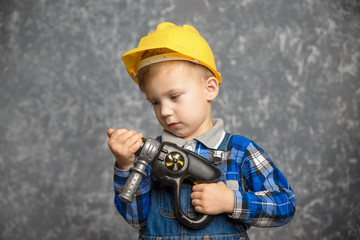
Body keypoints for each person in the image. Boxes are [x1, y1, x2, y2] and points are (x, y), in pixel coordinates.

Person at [107, 22, 296, 240]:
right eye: (155, 102)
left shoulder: (239, 151)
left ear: (210, 89)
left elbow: (285, 204)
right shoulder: (151, 155)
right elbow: (135, 219)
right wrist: (125, 165)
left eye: (174, 96)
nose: (165, 111)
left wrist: (231, 201)